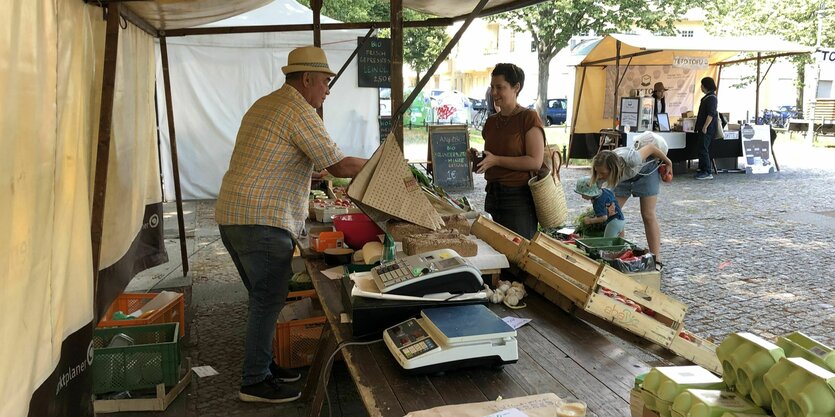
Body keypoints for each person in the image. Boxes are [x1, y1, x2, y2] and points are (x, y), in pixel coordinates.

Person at [214, 46, 367, 404]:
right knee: (268, 299)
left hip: (233, 215)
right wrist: (384, 163)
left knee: (261, 299)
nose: (328, 90)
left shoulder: (267, 103)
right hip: (261, 220)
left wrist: (305, 174)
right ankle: (253, 381)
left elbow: (270, 157)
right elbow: (340, 165)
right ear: (307, 79)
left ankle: (263, 366)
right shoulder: (300, 110)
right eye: (326, 82)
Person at [470, 63, 546, 239]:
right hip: (492, 195)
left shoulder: (528, 117)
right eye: (492, 87)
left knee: (518, 256)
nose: (494, 93)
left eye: (500, 87)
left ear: (516, 87)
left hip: (518, 199)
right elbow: (495, 155)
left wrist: (496, 160)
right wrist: (479, 159)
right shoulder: (491, 122)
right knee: (497, 252)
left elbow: (534, 161)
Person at [591, 136, 672, 263]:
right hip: (622, 177)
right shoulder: (602, 170)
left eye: (603, 173)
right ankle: (619, 252)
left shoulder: (632, 158)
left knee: (648, 214)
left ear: (612, 169)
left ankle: (656, 258)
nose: (600, 176)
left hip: (646, 171)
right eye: (598, 173)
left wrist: (668, 162)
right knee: (613, 213)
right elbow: (598, 193)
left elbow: (651, 148)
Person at [694, 76, 718, 180]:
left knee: (704, 148)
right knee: (701, 148)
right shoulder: (708, 97)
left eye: (702, 85)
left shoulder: (712, 98)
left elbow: (711, 114)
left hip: (707, 128)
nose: (701, 87)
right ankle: (702, 169)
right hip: (703, 127)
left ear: (706, 86)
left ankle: (707, 172)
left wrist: (705, 126)